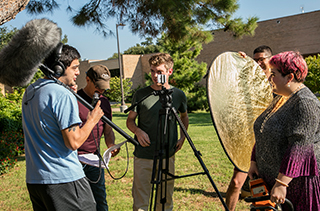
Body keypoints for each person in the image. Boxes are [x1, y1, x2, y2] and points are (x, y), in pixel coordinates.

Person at [22, 44, 104, 211]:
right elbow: (73, 142)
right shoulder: (61, 94)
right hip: (64, 180)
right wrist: (92, 120)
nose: (78, 72)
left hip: (36, 181)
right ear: (58, 68)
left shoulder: (31, 91)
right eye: (74, 67)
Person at [248, 51, 320, 210]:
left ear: (290, 78)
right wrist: (254, 161)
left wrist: (281, 183)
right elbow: (263, 130)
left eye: (273, 74)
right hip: (271, 180)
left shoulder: (305, 103)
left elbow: (300, 147)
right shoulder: (280, 98)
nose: (269, 78)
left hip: (296, 184)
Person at [126, 53, 189, 211]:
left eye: (159, 72)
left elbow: (184, 117)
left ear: (170, 71)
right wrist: (138, 132)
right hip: (144, 154)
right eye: (153, 71)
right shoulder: (140, 94)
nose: (155, 75)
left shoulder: (178, 94)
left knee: (165, 201)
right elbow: (130, 121)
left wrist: (183, 137)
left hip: (168, 155)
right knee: (141, 201)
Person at [226, 45, 273, 211]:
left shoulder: (278, 83)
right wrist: (239, 63)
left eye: (262, 59)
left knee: (267, 186)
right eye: (256, 60)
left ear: (271, 61)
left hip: (271, 144)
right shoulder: (249, 81)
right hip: (249, 141)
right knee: (236, 182)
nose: (259, 63)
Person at [77, 65, 120, 211]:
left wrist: (111, 145)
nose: (101, 91)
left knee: (100, 201)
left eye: (104, 87)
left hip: (95, 160)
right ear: (88, 79)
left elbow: (108, 131)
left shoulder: (105, 102)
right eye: (98, 86)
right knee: (80, 202)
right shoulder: (74, 99)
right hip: (75, 160)